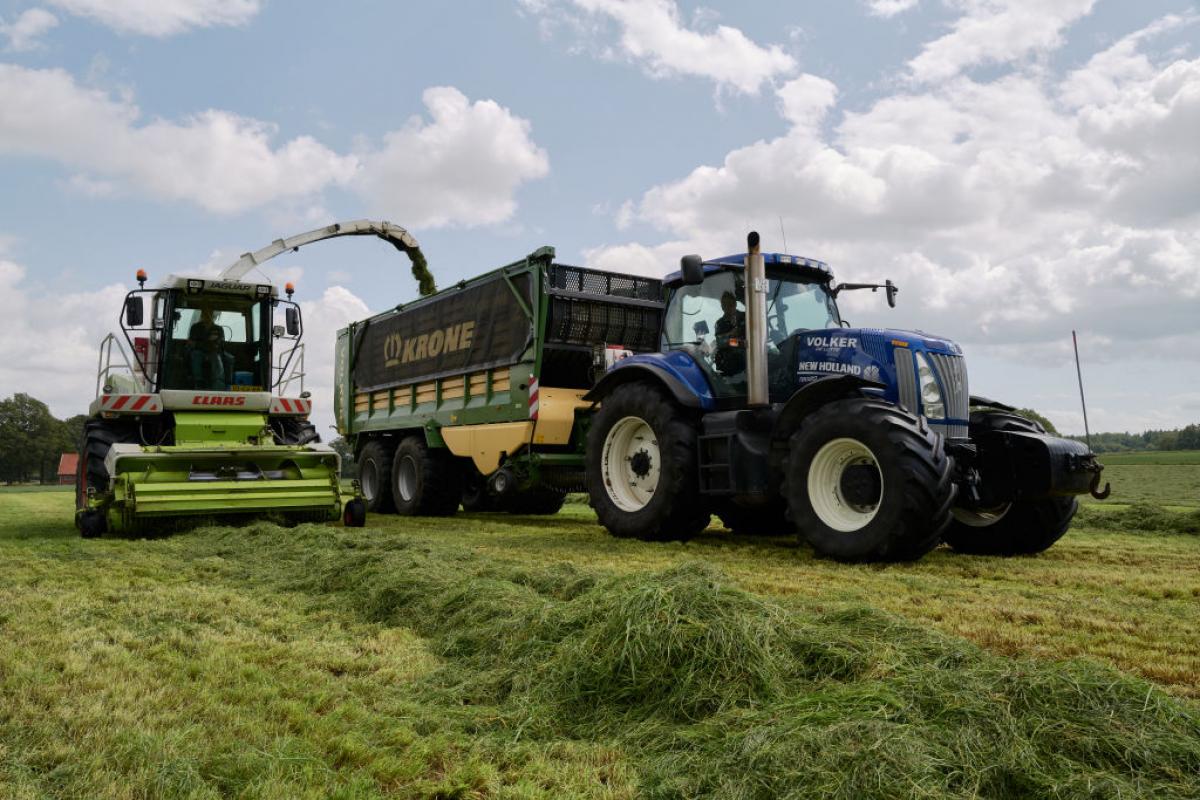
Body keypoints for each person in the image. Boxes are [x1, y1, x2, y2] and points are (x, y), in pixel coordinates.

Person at [187, 307, 233, 389]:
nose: (207, 316)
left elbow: (222, 343)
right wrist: (205, 344)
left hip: (214, 351)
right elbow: (191, 343)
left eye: (209, 314)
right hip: (199, 351)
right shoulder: (195, 327)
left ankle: (221, 384)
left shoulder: (218, 328)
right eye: (205, 314)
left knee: (226, 358)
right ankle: (198, 382)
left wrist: (214, 345)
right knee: (195, 355)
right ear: (202, 315)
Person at [714, 290, 746, 375]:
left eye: (730, 304)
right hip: (730, 365)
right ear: (722, 307)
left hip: (748, 361)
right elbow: (720, 342)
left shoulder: (745, 317)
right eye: (725, 305)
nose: (728, 307)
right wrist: (736, 341)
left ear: (735, 304)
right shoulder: (720, 323)